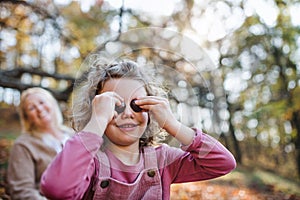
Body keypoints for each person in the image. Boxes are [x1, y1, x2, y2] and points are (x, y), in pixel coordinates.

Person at [40, 59, 236, 200]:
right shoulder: (89, 162)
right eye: (115, 105)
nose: (127, 113)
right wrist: (96, 122)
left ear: (150, 110)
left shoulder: (162, 160)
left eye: (136, 105)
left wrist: (173, 125)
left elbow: (222, 163)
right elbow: (57, 189)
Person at [6, 87, 73, 200]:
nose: (39, 109)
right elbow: (22, 192)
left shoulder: (73, 135)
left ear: (52, 103)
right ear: (27, 117)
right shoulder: (23, 145)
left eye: (42, 102)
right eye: (31, 108)